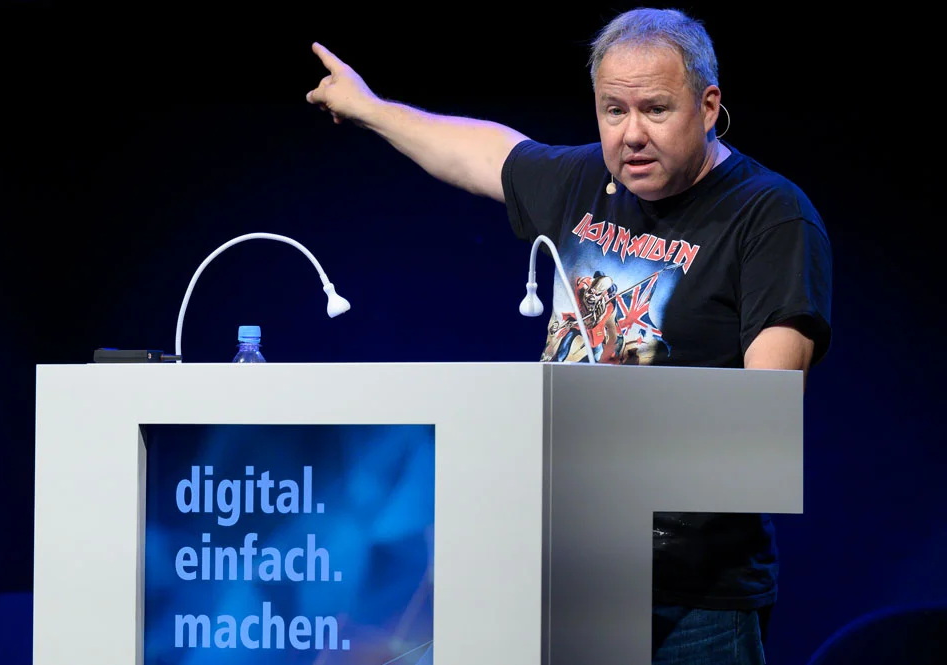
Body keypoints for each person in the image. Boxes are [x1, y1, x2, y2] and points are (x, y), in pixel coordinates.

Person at [306, 6, 833, 664]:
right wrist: (370, 109)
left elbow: (764, 416)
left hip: (693, 593)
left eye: (656, 110)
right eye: (614, 111)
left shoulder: (770, 216)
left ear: (708, 106)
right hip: (559, 569)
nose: (632, 134)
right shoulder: (587, 183)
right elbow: (485, 152)